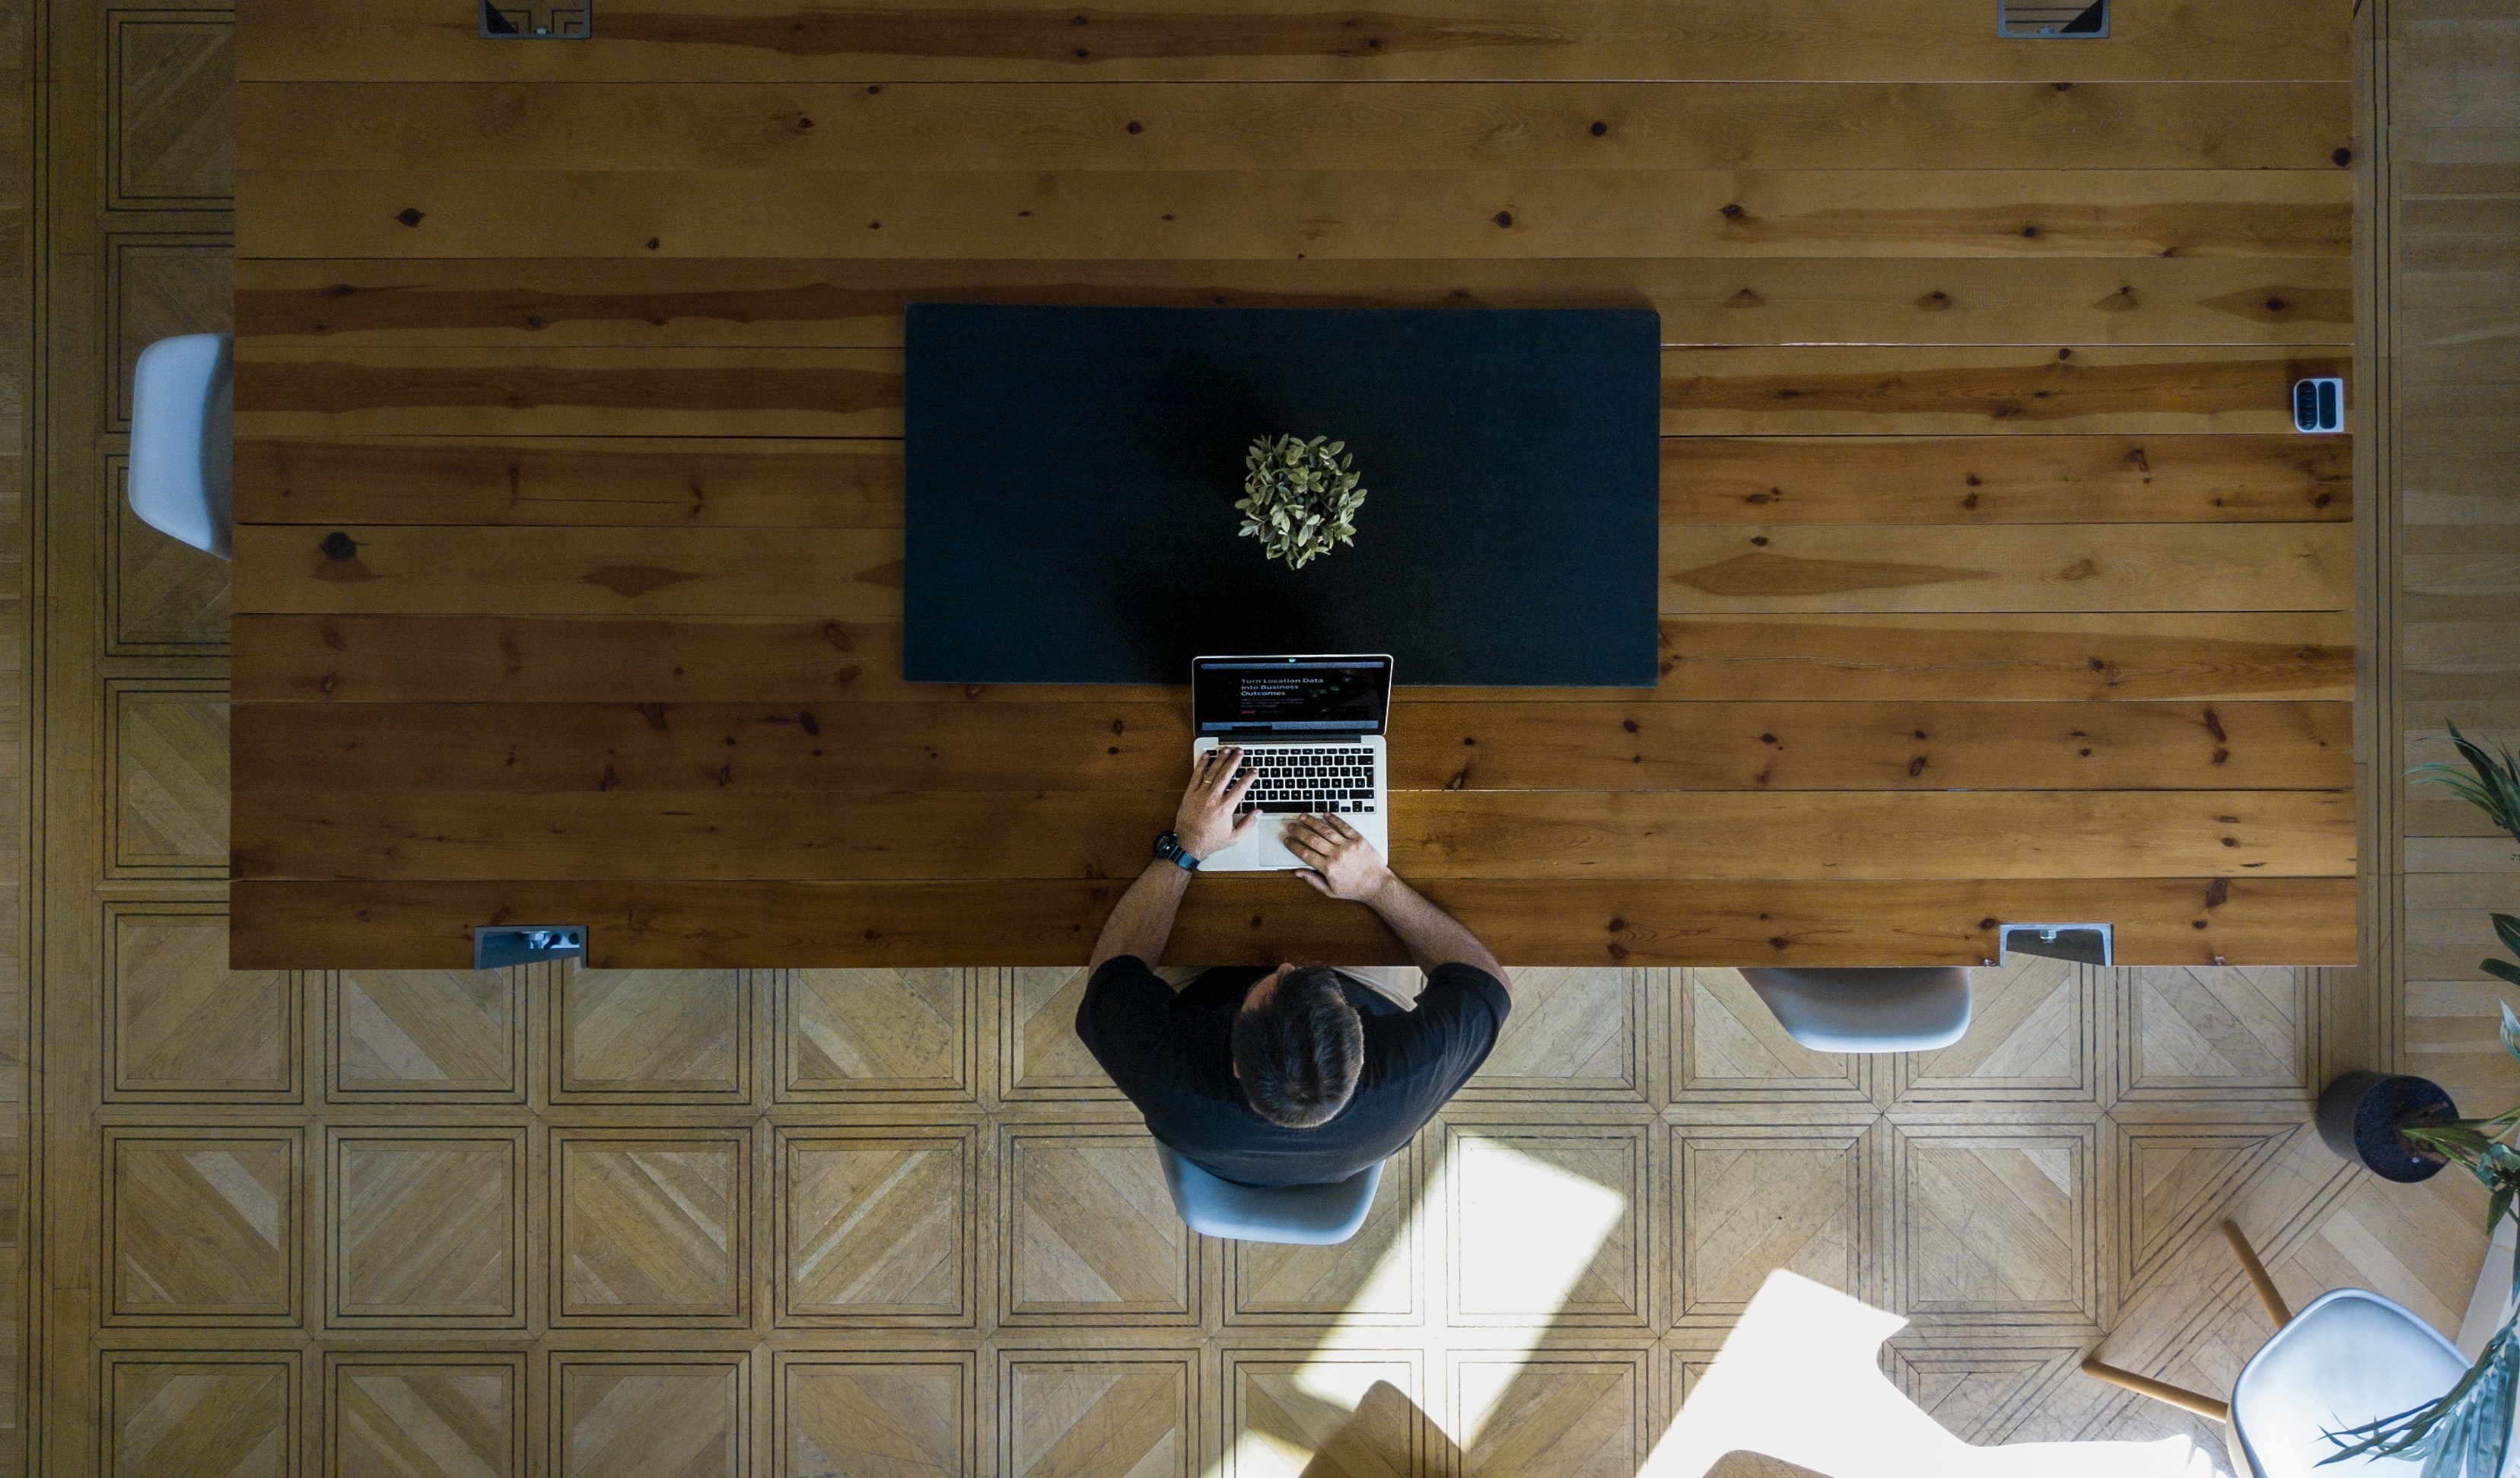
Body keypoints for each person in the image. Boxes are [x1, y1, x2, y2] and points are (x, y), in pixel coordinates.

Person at [1074, 744, 1514, 1187]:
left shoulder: (1166, 1074)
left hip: (1206, 997)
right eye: (1298, 977)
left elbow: (1111, 974)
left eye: (1273, 985)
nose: (1285, 965)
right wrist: (1377, 885)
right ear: (1363, 1050)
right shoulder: (1407, 1077)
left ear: (1235, 1064)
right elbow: (1490, 984)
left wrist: (1187, 847)